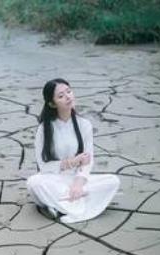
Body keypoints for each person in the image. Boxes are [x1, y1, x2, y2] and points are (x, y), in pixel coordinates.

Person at [27, 78, 120, 223]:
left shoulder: (84, 125)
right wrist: (71, 162)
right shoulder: (44, 129)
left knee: (113, 181)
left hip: (76, 179)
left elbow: (88, 162)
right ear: (52, 103)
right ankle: (76, 203)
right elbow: (44, 166)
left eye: (69, 91)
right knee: (34, 182)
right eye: (61, 96)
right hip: (54, 179)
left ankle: (58, 205)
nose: (68, 97)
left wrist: (77, 184)